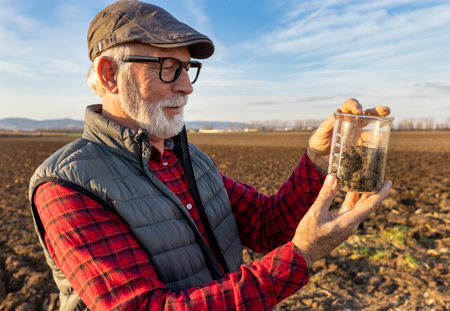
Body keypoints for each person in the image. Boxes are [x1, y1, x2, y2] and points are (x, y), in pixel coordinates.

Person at [29, 1, 392, 310]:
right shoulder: (68, 187)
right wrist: (302, 255)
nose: (186, 86)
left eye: (187, 69)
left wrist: (315, 158)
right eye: (167, 68)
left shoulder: (190, 161)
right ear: (110, 75)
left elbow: (266, 227)